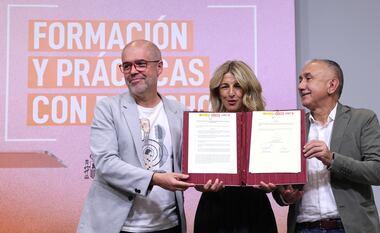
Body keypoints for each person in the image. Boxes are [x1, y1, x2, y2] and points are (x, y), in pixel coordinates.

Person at [77, 40, 194, 233]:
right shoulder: (108, 108)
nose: (132, 71)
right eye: (126, 66)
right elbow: (106, 162)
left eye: (141, 63)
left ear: (159, 67)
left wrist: (206, 181)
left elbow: (188, 164)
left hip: (169, 224)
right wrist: (155, 179)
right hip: (119, 226)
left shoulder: (179, 111)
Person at [273, 59, 380, 233]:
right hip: (303, 227)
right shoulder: (292, 126)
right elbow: (282, 186)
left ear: (332, 85)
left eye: (308, 78)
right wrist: (285, 195)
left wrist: (332, 159)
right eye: (299, 79)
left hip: (348, 227)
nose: (301, 85)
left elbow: (378, 171)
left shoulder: (363, 119)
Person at [193, 60, 278, 233]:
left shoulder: (266, 126)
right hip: (214, 210)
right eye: (225, 86)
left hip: (255, 211)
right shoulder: (205, 126)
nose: (231, 93)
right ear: (217, 91)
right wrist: (200, 185)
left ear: (248, 89)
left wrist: (274, 183)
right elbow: (197, 179)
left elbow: (277, 174)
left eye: (238, 86)